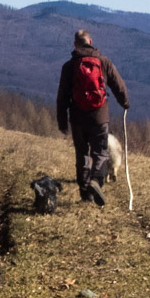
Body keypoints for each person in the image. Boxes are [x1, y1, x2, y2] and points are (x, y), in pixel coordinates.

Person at [55, 29, 129, 207]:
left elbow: (62, 96)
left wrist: (62, 121)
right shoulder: (103, 62)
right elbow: (118, 85)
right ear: (91, 41)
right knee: (101, 152)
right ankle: (96, 180)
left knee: (82, 155)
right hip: (99, 117)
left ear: (75, 44)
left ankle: (85, 193)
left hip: (77, 117)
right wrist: (125, 102)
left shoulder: (69, 66)